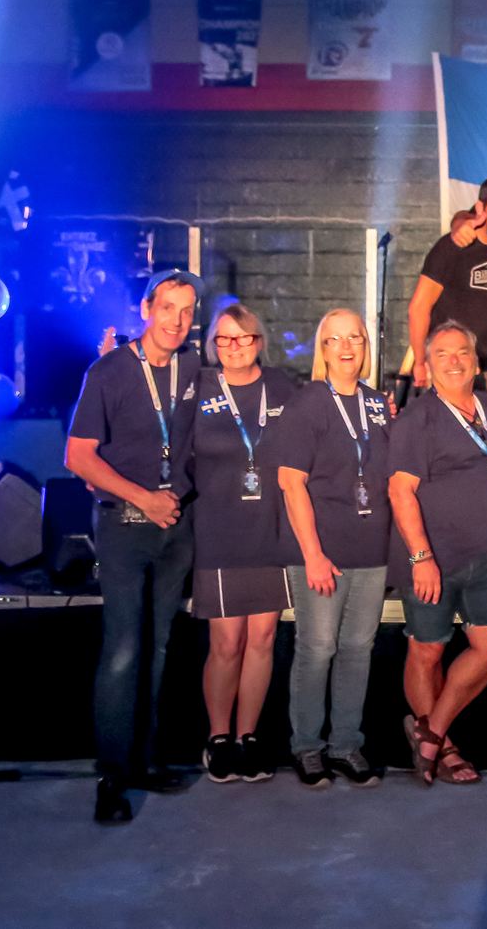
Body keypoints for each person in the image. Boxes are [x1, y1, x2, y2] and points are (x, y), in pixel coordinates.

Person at [65, 269, 203, 823]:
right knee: (124, 650)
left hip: (177, 529)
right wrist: (144, 498)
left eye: (187, 311)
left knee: (160, 646)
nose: (177, 320)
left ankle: (145, 761)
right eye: (167, 307)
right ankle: (112, 778)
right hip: (125, 527)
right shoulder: (109, 371)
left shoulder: (194, 367)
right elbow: (78, 457)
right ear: (146, 309)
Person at [387, 321, 487, 784]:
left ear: (475, 362)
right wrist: (421, 558)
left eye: (462, 352)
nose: (454, 361)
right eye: (442, 354)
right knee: (427, 650)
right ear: (427, 365)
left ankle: (430, 732)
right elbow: (401, 492)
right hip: (432, 558)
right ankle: (444, 750)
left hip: (483, 556)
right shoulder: (418, 420)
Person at [275, 308, 393, 789]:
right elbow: (290, 483)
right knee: (318, 648)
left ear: (366, 347)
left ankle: (346, 745)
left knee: (358, 649)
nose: (347, 348)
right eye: (335, 339)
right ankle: (307, 746)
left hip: (372, 550)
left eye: (356, 338)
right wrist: (313, 554)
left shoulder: (378, 404)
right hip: (322, 552)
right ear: (322, 349)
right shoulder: (307, 403)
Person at [186, 303, 298, 784]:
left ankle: (247, 736)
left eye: (243, 338)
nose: (234, 347)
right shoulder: (199, 387)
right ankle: (217, 738)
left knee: (263, 639)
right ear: (213, 345)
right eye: (224, 339)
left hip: (271, 530)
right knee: (227, 642)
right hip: (219, 529)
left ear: (258, 341)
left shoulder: (282, 387)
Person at [410, 176, 487, 393]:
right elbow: (418, 308)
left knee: (485, 416)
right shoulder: (452, 246)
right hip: (451, 365)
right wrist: (420, 361)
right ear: (480, 208)